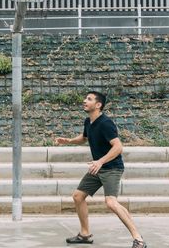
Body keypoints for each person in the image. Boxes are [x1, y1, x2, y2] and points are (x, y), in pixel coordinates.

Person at [55, 91, 147, 248]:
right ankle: (85, 235)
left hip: (111, 168)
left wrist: (100, 161)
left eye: (89, 99)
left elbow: (118, 147)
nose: (84, 101)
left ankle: (139, 239)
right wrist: (68, 140)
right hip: (98, 167)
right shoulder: (88, 121)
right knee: (78, 196)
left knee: (111, 202)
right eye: (85, 98)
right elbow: (84, 138)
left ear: (98, 105)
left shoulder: (105, 123)